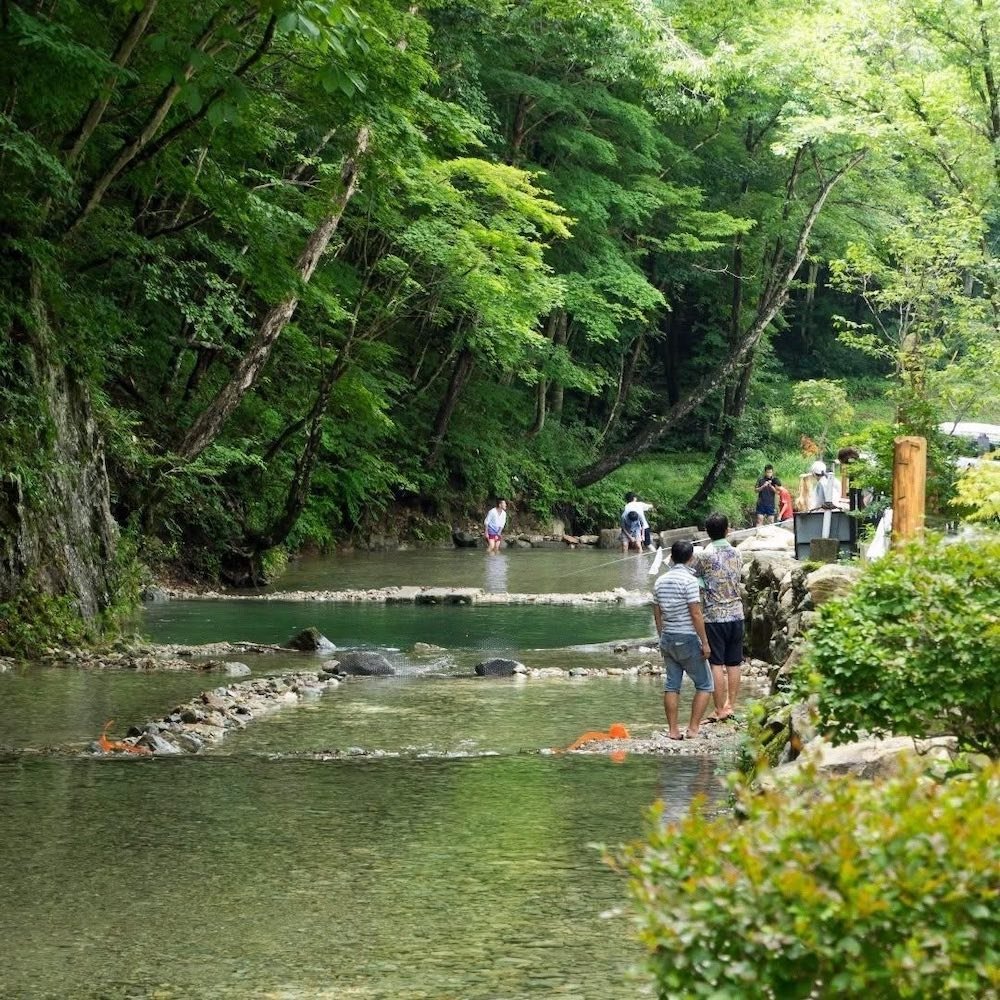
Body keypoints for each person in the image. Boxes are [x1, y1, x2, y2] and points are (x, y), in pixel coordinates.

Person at [652, 539, 714, 740]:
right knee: (705, 685)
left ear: (671, 557)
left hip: (668, 637)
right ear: (690, 558)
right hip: (687, 637)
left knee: (672, 685)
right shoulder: (689, 581)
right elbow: (696, 613)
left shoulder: (660, 581)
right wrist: (704, 642)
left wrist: (662, 637)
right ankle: (693, 729)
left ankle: (672, 730)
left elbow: (657, 612)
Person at [695, 513, 744, 723]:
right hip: (737, 614)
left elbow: (697, 581)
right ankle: (730, 706)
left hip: (714, 617)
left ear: (707, 533)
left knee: (716, 664)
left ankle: (718, 709)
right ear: (727, 530)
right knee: (734, 663)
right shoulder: (738, 553)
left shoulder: (703, 556)